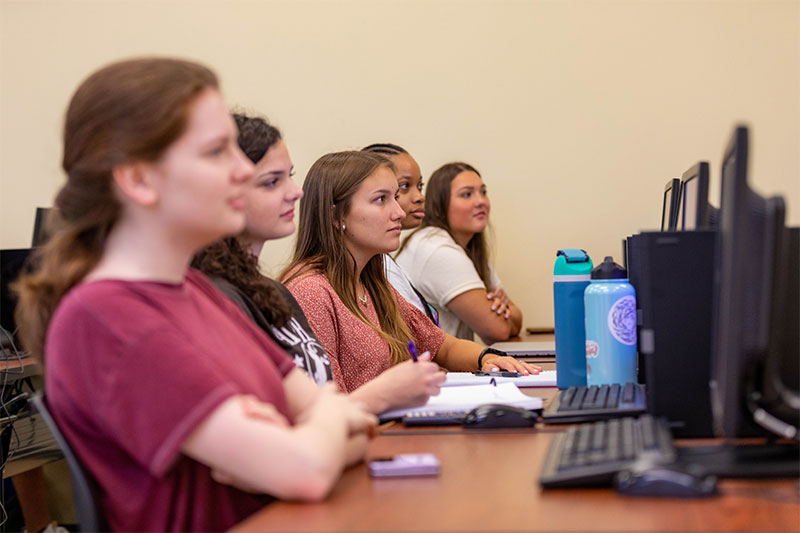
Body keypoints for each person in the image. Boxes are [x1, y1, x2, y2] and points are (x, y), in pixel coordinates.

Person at [12, 58, 374, 532]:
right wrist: (311, 433)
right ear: (140, 180)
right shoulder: (103, 317)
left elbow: (347, 423)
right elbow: (305, 470)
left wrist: (310, 430)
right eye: (216, 151)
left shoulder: (198, 291)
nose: (243, 170)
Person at [193, 115, 444, 414]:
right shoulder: (226, 298)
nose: (296, 192)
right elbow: (294, 428)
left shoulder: (270, 292)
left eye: (290, 176)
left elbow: (316, 413)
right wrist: (384, 394)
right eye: (273, 181)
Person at [281, 151, 539, 394]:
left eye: (395, 197)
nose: (399, 212)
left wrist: (488, 358)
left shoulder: (371, 283)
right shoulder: (311, 292)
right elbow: (328, 405)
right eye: (381, 199)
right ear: (336, 216)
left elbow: (441, 345)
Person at [396, 162, 523, 344]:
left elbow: (515, 318)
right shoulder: (437, 249)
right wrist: (504, 313)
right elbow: (497, 330)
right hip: (437, 368)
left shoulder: (466, 250)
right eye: (467, 194)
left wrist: (505, 311)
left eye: (483, 192)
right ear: (439, 208)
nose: (480, 201)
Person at [361, 143, 438, 325]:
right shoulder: (379, 265)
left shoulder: (385, 260)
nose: (419, 196)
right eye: (404, 187)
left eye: (420, 186)